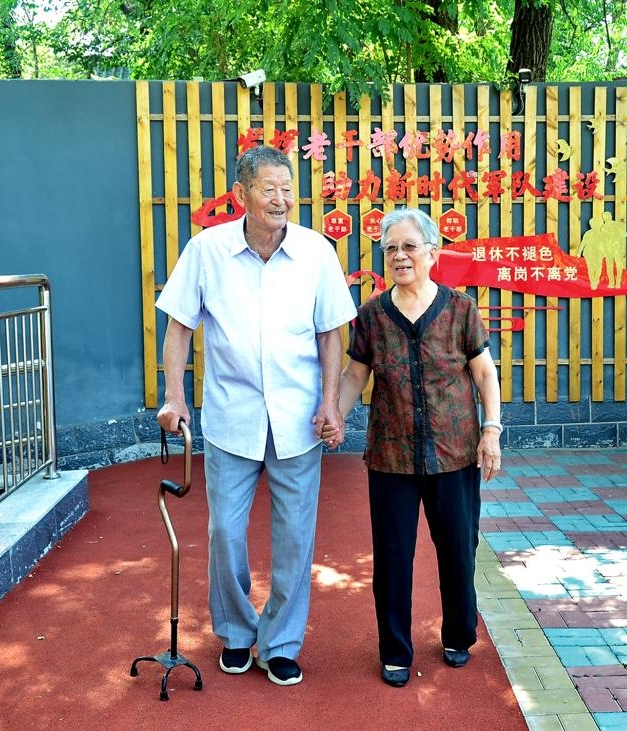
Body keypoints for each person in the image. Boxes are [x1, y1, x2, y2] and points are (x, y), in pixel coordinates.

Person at [155, 145, 356, 686]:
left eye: (288, 189)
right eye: (269, 189)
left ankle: (282, 642)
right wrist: (174, 396)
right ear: (241, 194)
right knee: (224, 532)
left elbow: (330, 335)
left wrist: (330, 402)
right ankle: (237, 633)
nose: (281, 199)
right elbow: (179, 327)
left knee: (295, 538)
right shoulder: (207, 250)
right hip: (231, 417)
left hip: (298, 420)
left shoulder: (316, 252)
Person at [321, 207, 502, 688]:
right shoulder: (372, 315)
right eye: (390, 249)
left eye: (409, 247)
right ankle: (395, 650)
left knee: (459, 551)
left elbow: (484, 373)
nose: (399, 256)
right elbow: (355, 374)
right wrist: (335, 413)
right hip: (391, 456)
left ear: (432, 253)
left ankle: (459, 635)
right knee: (393, 558)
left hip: (454, 452)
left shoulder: (461, 309)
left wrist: (491, 430)